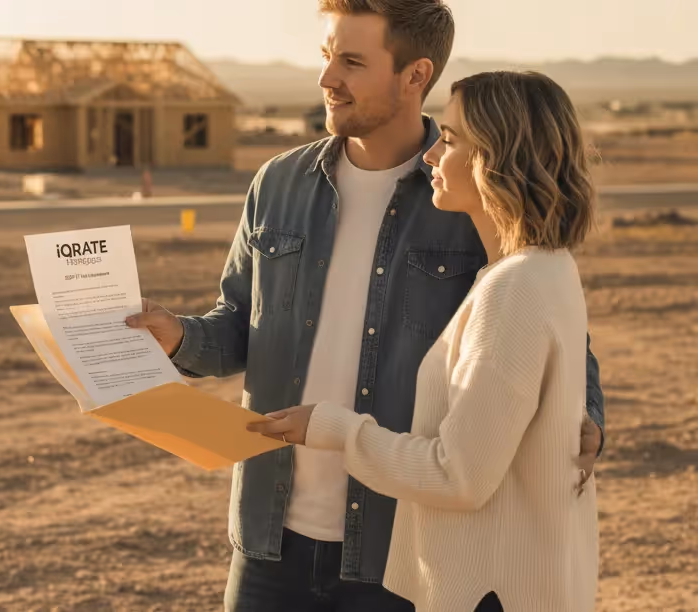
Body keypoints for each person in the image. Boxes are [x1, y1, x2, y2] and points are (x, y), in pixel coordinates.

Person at [126, 1, 605, 609]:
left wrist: (583, 418)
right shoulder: (277, 185)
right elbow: (239, 327)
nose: (328, 79)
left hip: (399, 548)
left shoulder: (470, 193)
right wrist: (179, 338)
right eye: (327, 57)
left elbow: (549, 339)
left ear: (415, 76)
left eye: (352, 61)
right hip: (270, 539)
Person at [248, 70, 600, 612]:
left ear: (497, 160)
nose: (433, 155)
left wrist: (334, 427)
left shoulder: (514, 289)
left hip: (493, 592)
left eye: (453, 139)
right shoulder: (548, 270)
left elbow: (456, 476)